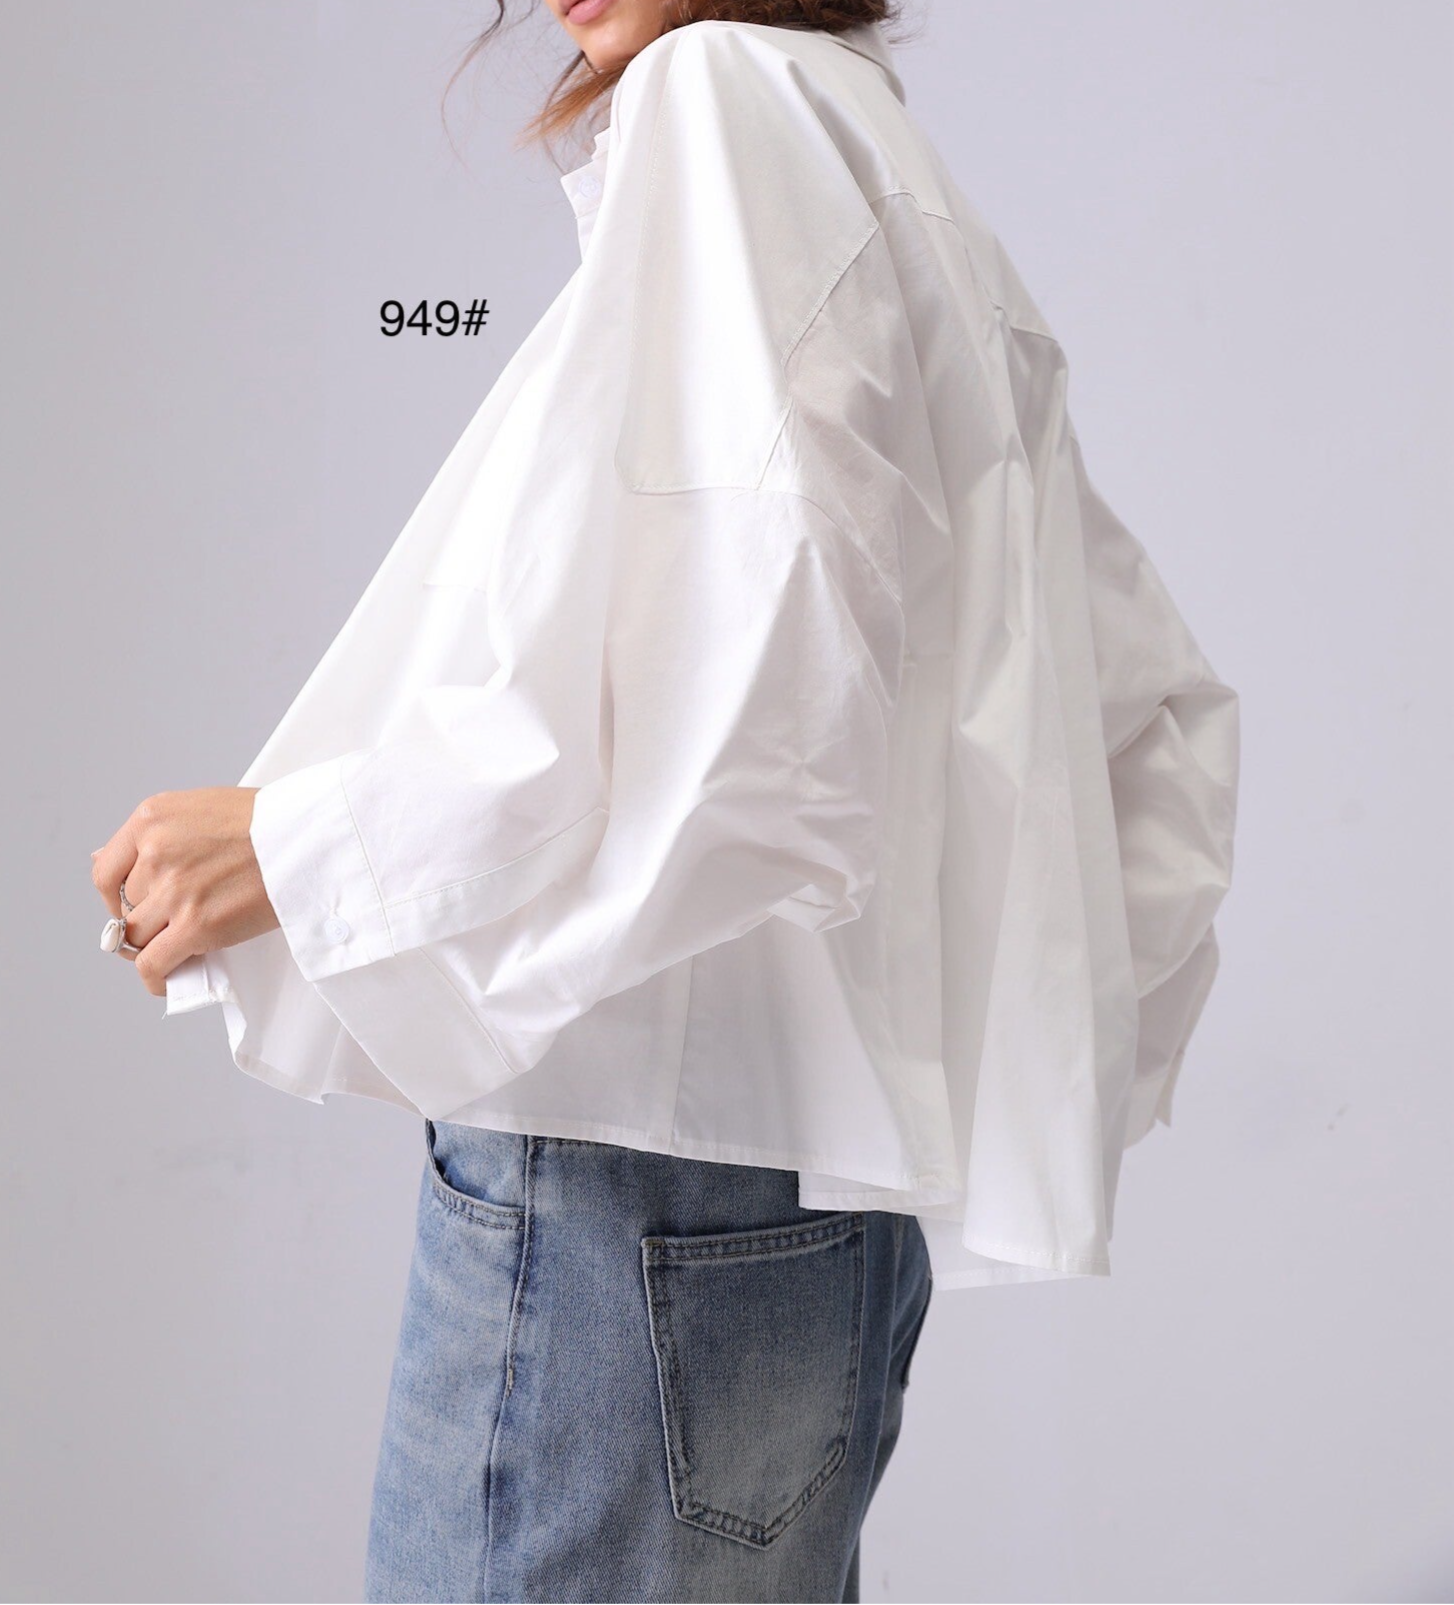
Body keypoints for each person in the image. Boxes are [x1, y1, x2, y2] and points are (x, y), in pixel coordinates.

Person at [90, 3, 1241, 1600]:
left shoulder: (726, 95)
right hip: (806, 1206)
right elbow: (1121, 702)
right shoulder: (870, 144)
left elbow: (748, 686)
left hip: (622, 1212)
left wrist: (300, 847)